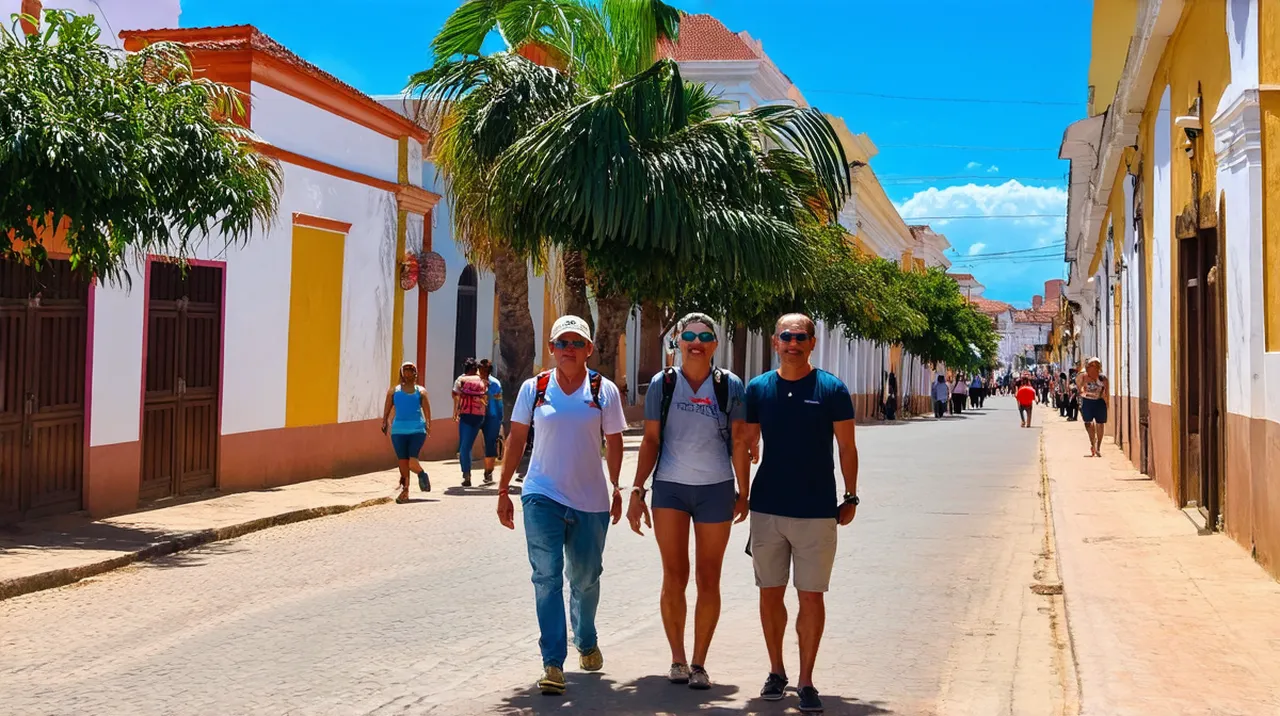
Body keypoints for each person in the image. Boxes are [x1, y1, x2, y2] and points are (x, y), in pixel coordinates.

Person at [496, 315, 627, 696]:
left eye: (576, 343)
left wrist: (617, 486)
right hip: (541, 494)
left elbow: (615, 441)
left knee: (586, 578)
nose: (569, 350)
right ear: (551, 349)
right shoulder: (533, 389)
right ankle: (552, 662)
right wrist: (503, 490)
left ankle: (585, 639)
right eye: (562, 343)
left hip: (590, 500)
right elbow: (517, 438)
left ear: (589, 349)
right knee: (546, 577)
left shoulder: (603, 391)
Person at [741, 313, 859, 714]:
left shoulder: (831, 389)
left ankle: (806, 679)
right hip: (768, 508)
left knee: (811, 597)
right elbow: (745, 442)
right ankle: (777, 670)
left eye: (800, 337)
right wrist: (742, 492)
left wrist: (851, 495)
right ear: (775, 342)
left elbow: (846, 447)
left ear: (812, 342)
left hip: (817, 509)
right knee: (769, 593)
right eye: (786, 337)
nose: (793, 343)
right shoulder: (758, 389)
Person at [626, 313, 749, 690]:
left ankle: (699, 663)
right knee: (674, 575)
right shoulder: (663, 386)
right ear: (677, 342)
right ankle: (677, 659)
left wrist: (744, 491)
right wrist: (636, 490)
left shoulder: (729, 386)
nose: (696, 342)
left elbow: (740, 441)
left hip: (716, 488)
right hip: (670, 490)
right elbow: (650, 441)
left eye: (705, 336)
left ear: (715, 344)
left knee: (708, 577)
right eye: (689, 335)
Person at [381, 361, 431, 503]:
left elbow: (427, 410)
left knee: (412, 461)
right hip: (398, 431)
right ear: (402, 372)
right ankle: (405, 491)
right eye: (406, 370)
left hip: (417, 429)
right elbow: (387, 408)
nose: (409, 372)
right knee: (403, 462)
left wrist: (428, 424)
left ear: (415, 372)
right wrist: (384, 421)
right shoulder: (394, 391)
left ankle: (421, 474)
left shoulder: (420, 391)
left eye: (411, 369)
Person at [453, 357, 489, 487]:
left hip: (466, 415)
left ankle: (466, 474)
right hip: (480, 416)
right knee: (472, 444)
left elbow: (455, 395)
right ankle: (487, 471)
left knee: (465, 446)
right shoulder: (482, 380)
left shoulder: (460, 380)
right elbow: (486, 397)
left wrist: (455, 412)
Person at [1077, 357, 1111, 457]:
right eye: (1091, 365)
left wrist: (1107, 402)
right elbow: (1079, 386)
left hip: (1099, 402)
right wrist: (1082, 392)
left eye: (1096, 365)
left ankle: (1098, 447)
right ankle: (1093, 442)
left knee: (1100, 424)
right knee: (1088, 423)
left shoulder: (1103, 379)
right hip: (1087, 401)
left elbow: (1107, 392)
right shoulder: (1084, 377)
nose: (1093, 368)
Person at [478, 359, 504, 484]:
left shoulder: (495, 384)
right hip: (478, 416)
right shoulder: (473, 382)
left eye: (486, 370)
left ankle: (488, 473)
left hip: (491, 417)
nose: (483, 372)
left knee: (490, 444)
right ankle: (466, 474)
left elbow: (499, 403)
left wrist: (499, 419)